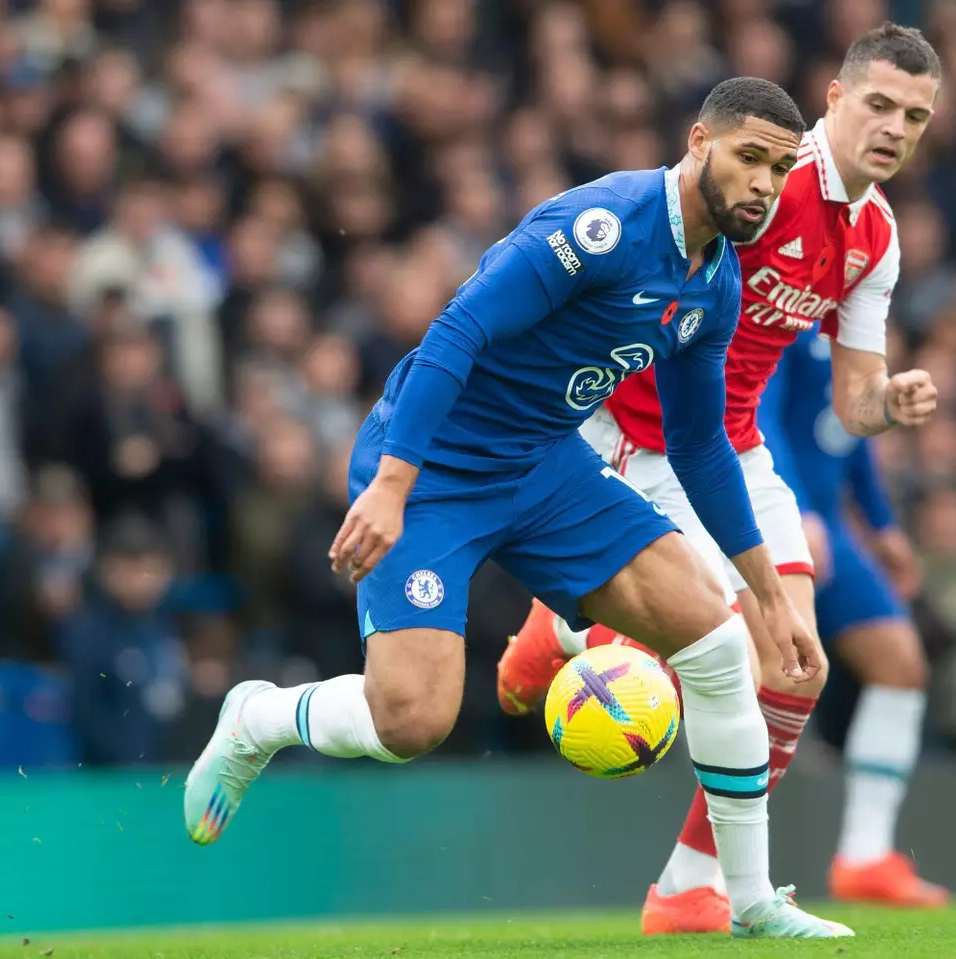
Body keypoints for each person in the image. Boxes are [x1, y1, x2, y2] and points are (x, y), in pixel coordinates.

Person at [182, 77, 855, 940]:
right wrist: (391, 484)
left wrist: (766, 589)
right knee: (413, 719)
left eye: (779, 167)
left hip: (544, 465)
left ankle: (750, 900)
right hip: (433, 471)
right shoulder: (602, 225)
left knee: (720, 641)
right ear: (699, 142)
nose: (764, 183)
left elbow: (699, 447)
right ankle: (258, 718)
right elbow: (456, 332)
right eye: (749, 157)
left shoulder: (713, 282)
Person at [496, 23, 944, 933]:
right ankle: (572, 630)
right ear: (835, 100)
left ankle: (687, 886)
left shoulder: (875, 236)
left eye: (916, 117)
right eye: (880, 105)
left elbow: (852, 401)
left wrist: (888, 404)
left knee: (798, 666)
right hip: (638, 435)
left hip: (733, 450)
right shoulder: (766, 180)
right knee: (736, 652)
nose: (894, 128)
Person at [757, 323, 946, 904]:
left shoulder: (852, 315)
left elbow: (854, 428)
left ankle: (865, 855)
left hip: (832, 527)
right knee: (767, 680)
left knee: (900, 665)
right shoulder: (784, 305)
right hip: (773, 514)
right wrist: (794, 507)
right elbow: (757, 411)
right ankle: (717, 867)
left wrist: (881, 523)